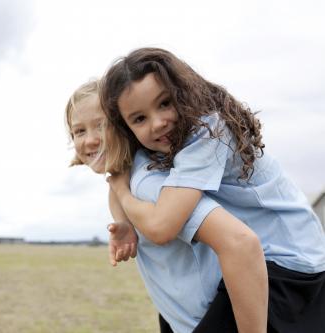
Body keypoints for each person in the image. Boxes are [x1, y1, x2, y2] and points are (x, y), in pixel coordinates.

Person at [100, 47, 325, 333]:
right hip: (262, 257)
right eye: (139, 119)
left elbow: (162, 226)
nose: (157, 123)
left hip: (287, 262)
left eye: (165, 103)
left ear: (184, 93)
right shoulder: (161, 152)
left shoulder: (208, 131)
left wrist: (121, 190)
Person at [65, 79, 268, 333]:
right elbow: (115, 187)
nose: (89, 140)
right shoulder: (127, 178)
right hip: (182, 316)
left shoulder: (148, 183)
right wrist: (124, 221)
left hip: (205, 315)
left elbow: (241, 242)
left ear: (124, 126)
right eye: (79, 131)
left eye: (101, 125)